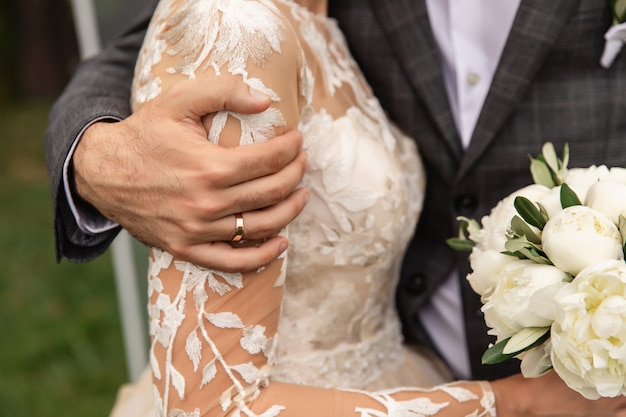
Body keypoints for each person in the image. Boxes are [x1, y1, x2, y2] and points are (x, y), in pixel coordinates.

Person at [44, 0, 626, 416]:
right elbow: (209, 405)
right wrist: (513, 405)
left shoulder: (318, 17)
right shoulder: (235, 25)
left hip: (398, 371)